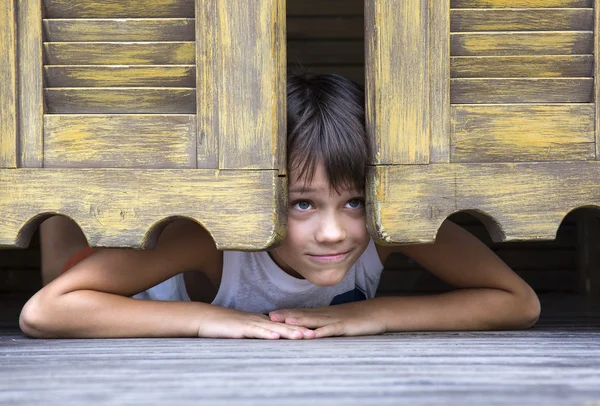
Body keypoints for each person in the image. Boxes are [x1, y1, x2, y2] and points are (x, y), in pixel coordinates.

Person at [19, 73, 541, 339]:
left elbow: (518, 301)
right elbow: (46, 311)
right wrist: (207, 320)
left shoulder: (391, 221)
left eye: (354, 200)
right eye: (302, 205)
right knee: (67, 261)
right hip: (136, 286)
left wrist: (376, 314)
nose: (336, 232)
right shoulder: (212, 239)